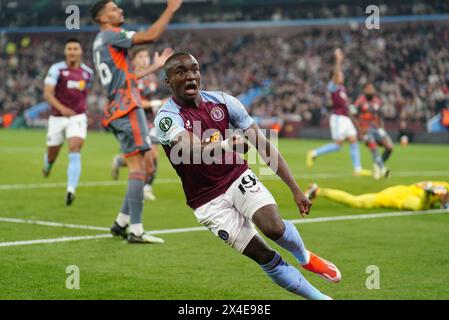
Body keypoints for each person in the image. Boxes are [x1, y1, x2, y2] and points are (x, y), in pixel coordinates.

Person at [155, 52, 341, 300]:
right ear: (168, 81)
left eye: (194, 69)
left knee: (273, 227)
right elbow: (189, 148)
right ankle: (320, 298)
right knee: (263, 255)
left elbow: (264, 147)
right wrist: (225, 145)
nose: (190, 76)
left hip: (236, 176)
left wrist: (295, 189)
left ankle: (305, 258)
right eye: (181, 72)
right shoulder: (167, 118)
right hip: (206, 201)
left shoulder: (223, 102)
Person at [91, 0, 182, 243]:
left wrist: (153, 66)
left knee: (146, 167)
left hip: (118, 107)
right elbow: (151, 35)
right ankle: (137, 230)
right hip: (128, 107)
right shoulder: (112, 34)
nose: (120, 10)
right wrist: (171, 9)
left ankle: (121, 223)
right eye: (113, 9)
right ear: (102, 18)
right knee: (139, 169)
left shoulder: (100, 42)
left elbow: (127, 77)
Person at [111, 47, 173, 201]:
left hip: (150, 121)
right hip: (133, 120)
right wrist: (158, 102)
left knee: (153, 155)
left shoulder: (151, 77)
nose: (145, 59)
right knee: (139, 159)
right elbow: (136, 102)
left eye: (146, 55)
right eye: (141, 56)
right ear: (133, 60)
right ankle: (120, 161)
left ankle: (146, 188)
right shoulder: (131, 77)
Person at [43, 38, 94, 206]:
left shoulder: (87, 73)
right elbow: (48, 94)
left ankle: (71, 189)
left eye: (75, 48)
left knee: (74, 147)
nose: (72, 51)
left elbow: (86, 93)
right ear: (66, 52)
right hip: (57, 117)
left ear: (80, 52)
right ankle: (48, 164)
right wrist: (62, 108)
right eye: (69, 48)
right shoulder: (57, 69)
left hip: (77, 117)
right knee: (53, 154)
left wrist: (81, 109)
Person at [306, 49, 371, 177]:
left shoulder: (342, 88)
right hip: (338, 118)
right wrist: (338, 60)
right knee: (338, 145)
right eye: (340, 74)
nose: (342, 75)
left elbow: (346, 106)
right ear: (334, 76)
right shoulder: (333, 86)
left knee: (353, 140)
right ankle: (313, 153)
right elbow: (336, 73)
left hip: (345, 118)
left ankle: (357, 169)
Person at [305, 181, 449, 211]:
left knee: (355, 201)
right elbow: (444, 192)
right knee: (419, 207)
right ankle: (426, 193)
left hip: (398, 190)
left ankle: (318, 191)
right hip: (403, 197)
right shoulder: (444, 186)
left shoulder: (443, 184)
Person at [354, 83, 394, 179]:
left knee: (389, 147)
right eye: (368, 88)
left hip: (376, 128)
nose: (371, 90)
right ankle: (383, 169)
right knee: (373, 146)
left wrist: (381, 129)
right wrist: (359, 131)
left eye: (372, 88)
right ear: (364, 90)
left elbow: (380, 117)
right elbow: (353, 115)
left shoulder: (377, 101)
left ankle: (377, 164)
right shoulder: (359, 101)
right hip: (365, 129)